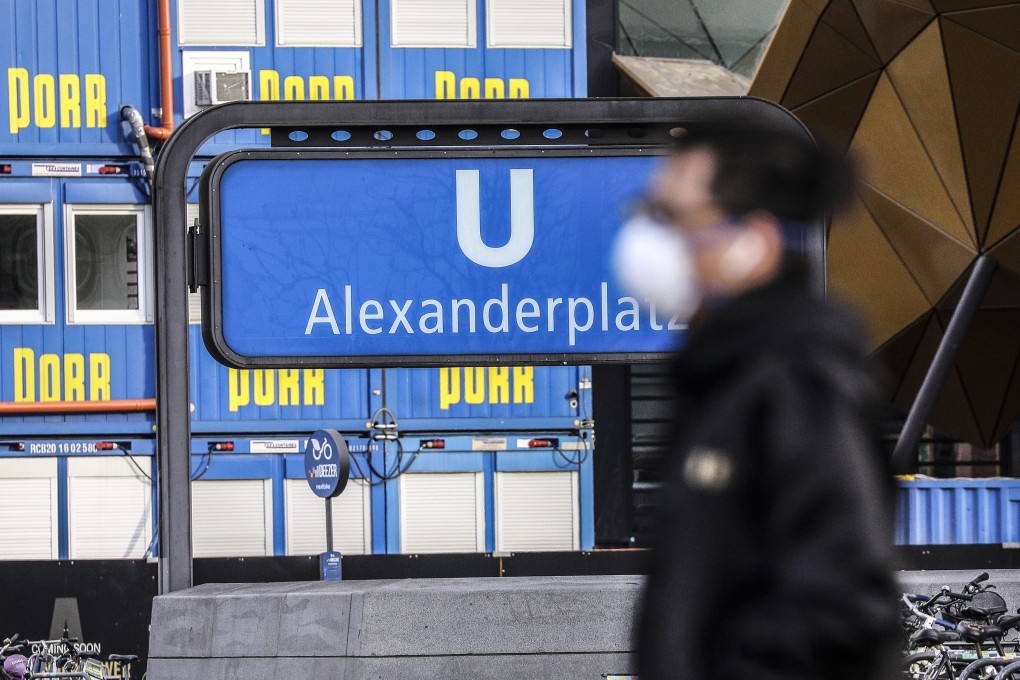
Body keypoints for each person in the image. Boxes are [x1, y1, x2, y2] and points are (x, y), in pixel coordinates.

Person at [613, 123, 901, 680]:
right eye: (647, 212)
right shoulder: (725, 378)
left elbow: (842, 606)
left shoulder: (801, 380)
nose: (648, 238)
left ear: (755, 240)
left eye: (672, 217)